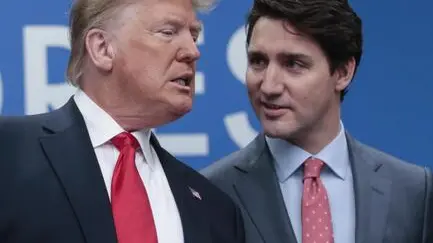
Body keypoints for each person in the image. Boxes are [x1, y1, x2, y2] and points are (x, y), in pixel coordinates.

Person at [0, 0, 245, 242]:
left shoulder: (216, 209)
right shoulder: (9, 153)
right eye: (168, 32)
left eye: (194, 35)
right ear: (102, 48)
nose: (193, 51)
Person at [202, 0, 433, 242]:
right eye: (258, 61)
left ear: (343, 72)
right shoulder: (211, 194)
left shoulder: (414, 190)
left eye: (293, 64)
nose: (269, 86)